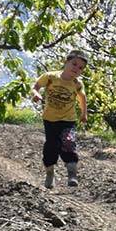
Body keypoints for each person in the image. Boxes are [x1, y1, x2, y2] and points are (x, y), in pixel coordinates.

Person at [31, 50, 88, 188]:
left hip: (68, 119)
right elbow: (35, 86)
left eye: (80, 68)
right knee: (51, 146)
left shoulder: (77, 84)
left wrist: (83, 113)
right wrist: (36, 94)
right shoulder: (51, 77)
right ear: (66, 62)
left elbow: (82, 98)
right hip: (50, 119)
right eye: (74, 64)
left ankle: (72, 173)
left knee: (68, 142)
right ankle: (50, 172)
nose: (76, 68)